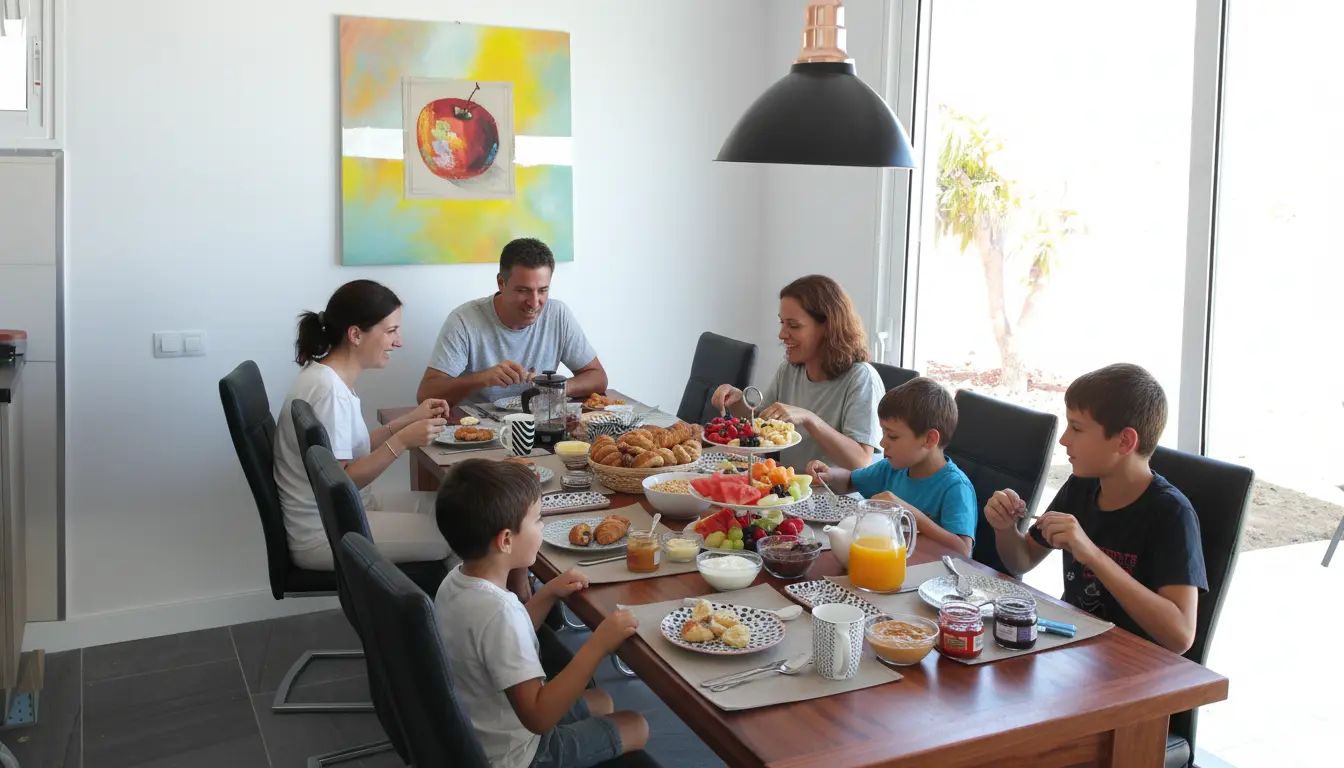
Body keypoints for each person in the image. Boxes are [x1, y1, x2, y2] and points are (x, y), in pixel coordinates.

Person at [434, 460, 649, 768]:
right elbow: (538, 716)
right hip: (518, 754)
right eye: (537, 520)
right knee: (636, 724)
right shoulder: (498, 611)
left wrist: (547, 593)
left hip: (482, 726)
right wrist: (598, 644)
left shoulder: (456, 581)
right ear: (506, 540)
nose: (542, 526)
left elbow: (505, 639)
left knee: (602, 701)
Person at [984, 363, 1206, 653]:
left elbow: (1180, 636)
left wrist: (1091, 554)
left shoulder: (1171, 513)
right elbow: (1022, 560)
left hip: (1137, 668)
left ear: (1124, 441)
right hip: (1077, 649)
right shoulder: (1081, 487)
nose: (1064, 439)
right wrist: (1005, 529)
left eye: (1076, 428)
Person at [273, 279, 451, 571]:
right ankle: (456, 613)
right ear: (355, 334)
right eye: (391, 330)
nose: (399, 341)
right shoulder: (329, 392)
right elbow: (344, 480)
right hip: (327, 531)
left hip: (343, 511)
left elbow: (349, 452)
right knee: (462, 534)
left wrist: (410, 419)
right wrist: (403, 440)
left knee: (459, 511)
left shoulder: (327, 377)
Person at [712, 275, 884, 470]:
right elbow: (759, 420)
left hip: (832, 495)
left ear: (828, 327)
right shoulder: (791, 368)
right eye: (782, 323)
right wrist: (737, 400)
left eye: (793, 325)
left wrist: (809, 419)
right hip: (788, 488)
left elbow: (860, 460)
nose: (782, 334)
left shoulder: (861, 378)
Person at [417, 238, 608, 406]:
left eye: (542, 290)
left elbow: (598, 377)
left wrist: (556, 388)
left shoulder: (558, 314)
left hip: (540, 425)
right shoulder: (464, 321)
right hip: (479, 433)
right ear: (501, 283)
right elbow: (426, 394)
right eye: (522, 290)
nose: (534, 303)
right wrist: (483, 379)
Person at [806, 377, 977, 556]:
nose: (882, 442)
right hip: (891, 562)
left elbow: (963, 551)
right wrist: (829, 475)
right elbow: (850, 481)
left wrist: (909, 513)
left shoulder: (955, 487)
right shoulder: (893, 467)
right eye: (883, 432)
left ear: (929, 439)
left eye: (893, 436)